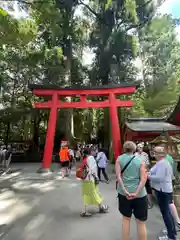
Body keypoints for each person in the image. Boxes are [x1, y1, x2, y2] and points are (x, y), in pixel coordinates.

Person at [115, 141, 148, 240]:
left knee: (126, 219)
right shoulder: (140, 160)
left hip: (124, 194)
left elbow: (118, 177)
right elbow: (144, 179)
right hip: (140, 195)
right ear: (135, 149)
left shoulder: (119, 159)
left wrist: (125, 190)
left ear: (124, 149)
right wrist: (137, 193)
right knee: (141, 222)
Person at [149, 146, 176, 240]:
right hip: (165, 189)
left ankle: (171, 236)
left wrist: (149, 177)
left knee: (166, 213)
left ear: (159, 154)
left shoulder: (162, 163)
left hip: (162, 190)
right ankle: (172, 232)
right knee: (167, 212)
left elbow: (159, 177)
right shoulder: (163, 162)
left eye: (155, 152)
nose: (153, 154)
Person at [81, 148, 109, 217]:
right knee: (95, 193)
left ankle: (86, 210)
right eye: (94, 151)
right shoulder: (91, 158)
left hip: (85, 179)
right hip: (91, 179)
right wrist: (96, 177)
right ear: (91, 152)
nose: (96, 152)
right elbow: (92, 169)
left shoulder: (85, 158)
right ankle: (102, 207)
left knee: (87, 194)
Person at [135, 143, 153, 209]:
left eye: (141, 147)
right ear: (137, 148)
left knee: (148, 187)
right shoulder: (135, 155)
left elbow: (148, 164)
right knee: (139, 187)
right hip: (137, 173)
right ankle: (139, 202)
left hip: (145, 172)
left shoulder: (145, 154)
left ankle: (150, 202)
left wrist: (144, 168)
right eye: (139, 147)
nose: (140, 148)